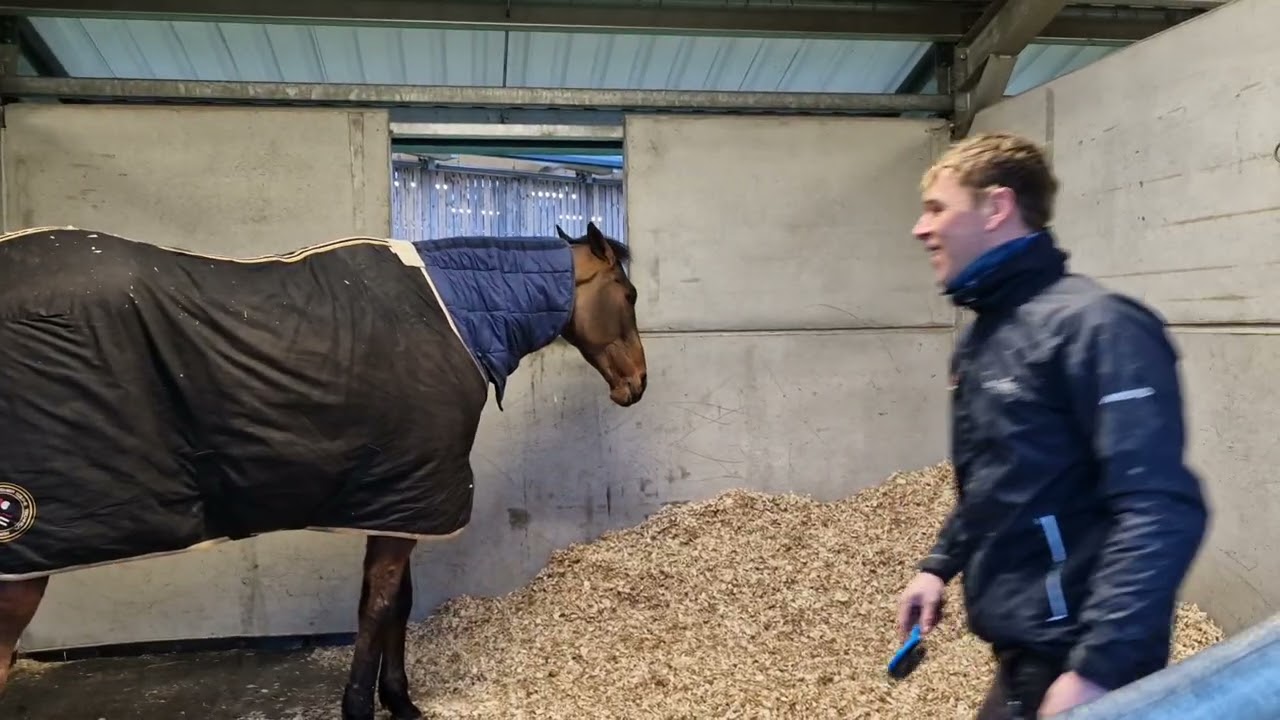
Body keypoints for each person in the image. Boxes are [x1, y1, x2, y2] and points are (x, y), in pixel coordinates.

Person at [895, 132, 1210, 719]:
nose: (920, 228)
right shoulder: (985, 338)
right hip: (1024, 649)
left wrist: (1099, 672)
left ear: (996, 208)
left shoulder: (1099, 328)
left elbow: (1160, 508)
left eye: (937, 208)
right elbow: (999, 479)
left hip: (1074, 655)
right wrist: (938, 566)